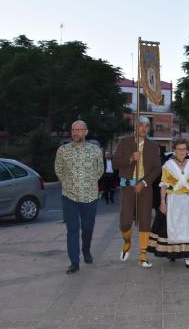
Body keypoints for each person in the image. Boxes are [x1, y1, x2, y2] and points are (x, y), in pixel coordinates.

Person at [55, 120, 104, 274]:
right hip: (69, 196)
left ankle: (86, 250)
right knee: (72, 229)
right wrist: (68, 183)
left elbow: (100, 169)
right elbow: (58, 169)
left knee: (88, 228)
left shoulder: (95, 150)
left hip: (90, 196)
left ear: (86, 132)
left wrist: (89, 183)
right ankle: (74, 262)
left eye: (79, 129)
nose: (76, 132)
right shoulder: (62, 150)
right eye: (73, 129)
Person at [112, 116, 161, 268]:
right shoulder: (125, 142)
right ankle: (127, 242)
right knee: (125, 221)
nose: (144, 128)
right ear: (135, 126)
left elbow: (157, 168)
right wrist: (130, 158)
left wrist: (144, 182)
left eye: (147, 125)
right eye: (141, 125)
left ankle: (143, 256)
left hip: (145, 188)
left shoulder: (153, 146)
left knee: (145, 220)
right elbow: (115, 164)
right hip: (127, 186)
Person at [148, 139, 189, 268]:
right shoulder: (168, 165)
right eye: (179, 149)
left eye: (184, 149)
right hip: (174, 200)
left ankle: (188, 255)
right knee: (175, 228)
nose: (182, 152)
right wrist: (162, 202)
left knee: (188, 227)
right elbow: (163, 186)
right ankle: (174, 252)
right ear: (174, 150)